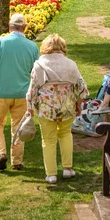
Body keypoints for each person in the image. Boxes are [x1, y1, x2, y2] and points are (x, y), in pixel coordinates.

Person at [0, 13, 39, 171]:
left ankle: (0, 153)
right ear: (24, 27)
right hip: (23, 94)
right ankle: (17, 161)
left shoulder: (0, 43)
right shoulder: (32, 47)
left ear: (10, 26)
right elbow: (36, 72)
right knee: (18, 126)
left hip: (0, 92)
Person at [26, 34, 89, 184]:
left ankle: (51, 174)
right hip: (67, 106)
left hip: (47, 107)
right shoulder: (71, 64)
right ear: (62, 47)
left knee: (48, 140)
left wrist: (30, 108)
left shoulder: (39, 65)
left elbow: (32, 90)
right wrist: (78, 103)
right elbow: (81, 87)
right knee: (66, 134)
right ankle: (67, 169)